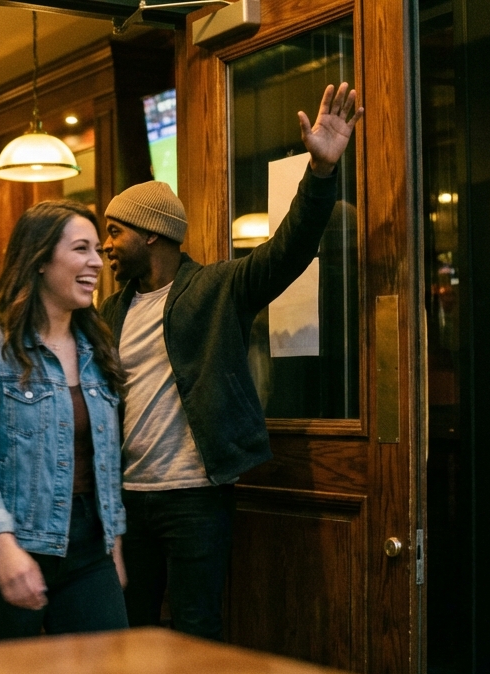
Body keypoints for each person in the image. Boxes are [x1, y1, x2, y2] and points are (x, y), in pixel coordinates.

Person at [99, 83, 363, 639]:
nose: (105, 246)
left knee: (197, 630)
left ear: (151, 235)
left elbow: (287, 251)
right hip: (127, 500)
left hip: (196, 496)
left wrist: (320, 174)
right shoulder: (109, 311)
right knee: (128, 631)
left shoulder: (218, 288)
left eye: (114, 232)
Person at [0, 200, 129, 639]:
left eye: (97, 251)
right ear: (41, 260)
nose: (96, 262)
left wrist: (114, 545)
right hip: (7, 550)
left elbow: (106, 458)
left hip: (89, 551)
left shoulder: (96, 348)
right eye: (81, 249)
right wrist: (3, 547)